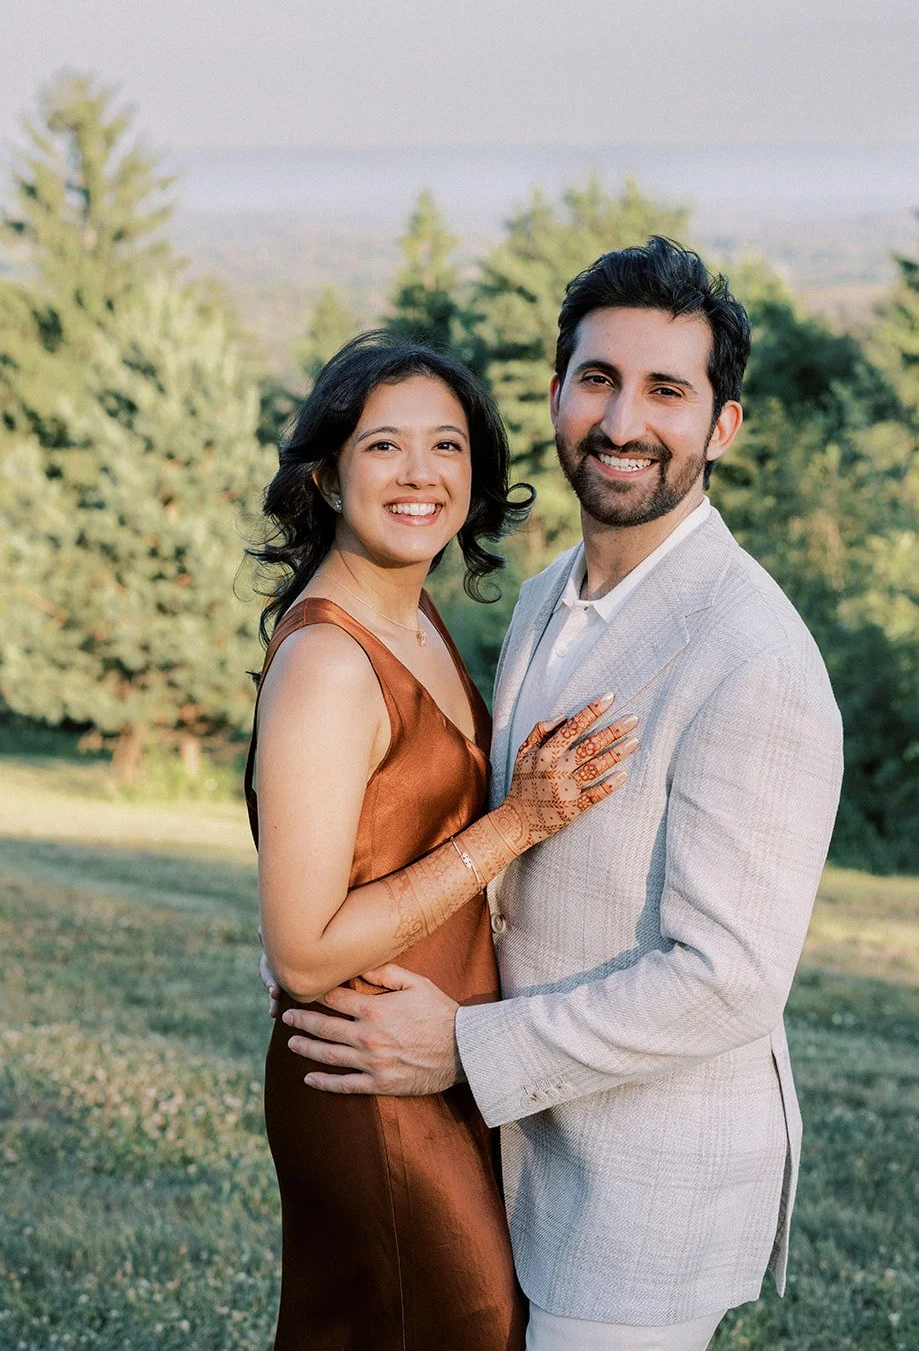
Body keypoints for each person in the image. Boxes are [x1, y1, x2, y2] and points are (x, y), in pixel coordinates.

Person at [276, 239, 845, 1351]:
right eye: (598, 379)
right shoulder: (544, 597)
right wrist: (312, 928)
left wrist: (466, 1048)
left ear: (720, 427)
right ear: (554, 396)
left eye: (665, 390)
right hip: (514, 1156)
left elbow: (727, 981)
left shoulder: (752, 657)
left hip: (643, 1191)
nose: (622, 419)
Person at [245, 333, 639, 1351]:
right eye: (384, 446)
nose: (421, 474)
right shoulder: (331, 660)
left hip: (435, 1060)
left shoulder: (411, 611)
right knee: (461, 1320)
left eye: (447, 446)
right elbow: (299, 949)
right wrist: (518, 823)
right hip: (366, 1081)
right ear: (327, 473)